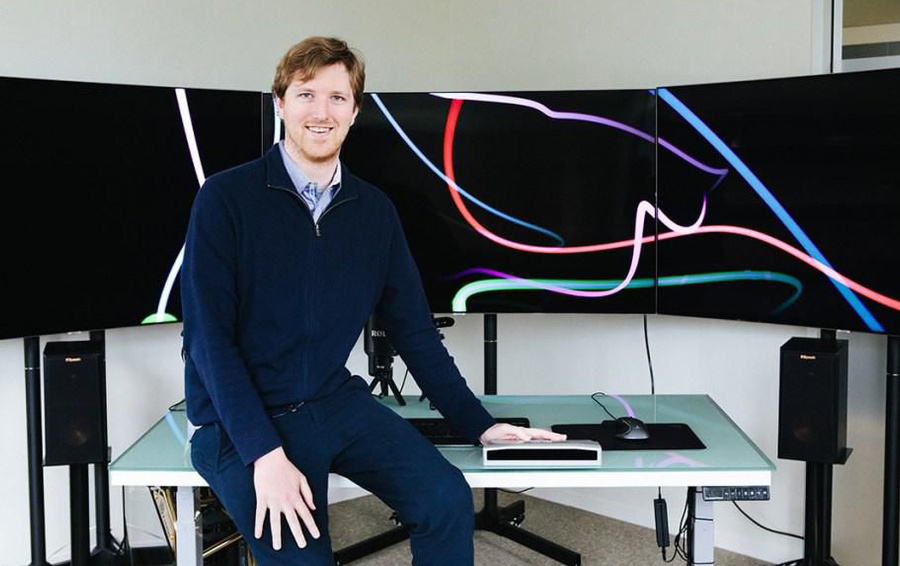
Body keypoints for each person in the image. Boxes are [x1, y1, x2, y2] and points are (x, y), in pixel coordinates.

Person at [181, 36, 565, 566]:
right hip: (240, 422)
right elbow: (208, 341)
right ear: (280, 104)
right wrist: (264, 454)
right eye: (306, 94)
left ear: (355, 111)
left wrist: (479, 423)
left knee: (446, 500)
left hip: (332, 401)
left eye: (337, 97)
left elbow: (414, 331)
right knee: (304, 557)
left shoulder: (375, 211)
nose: (321, 112)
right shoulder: (224, 199)